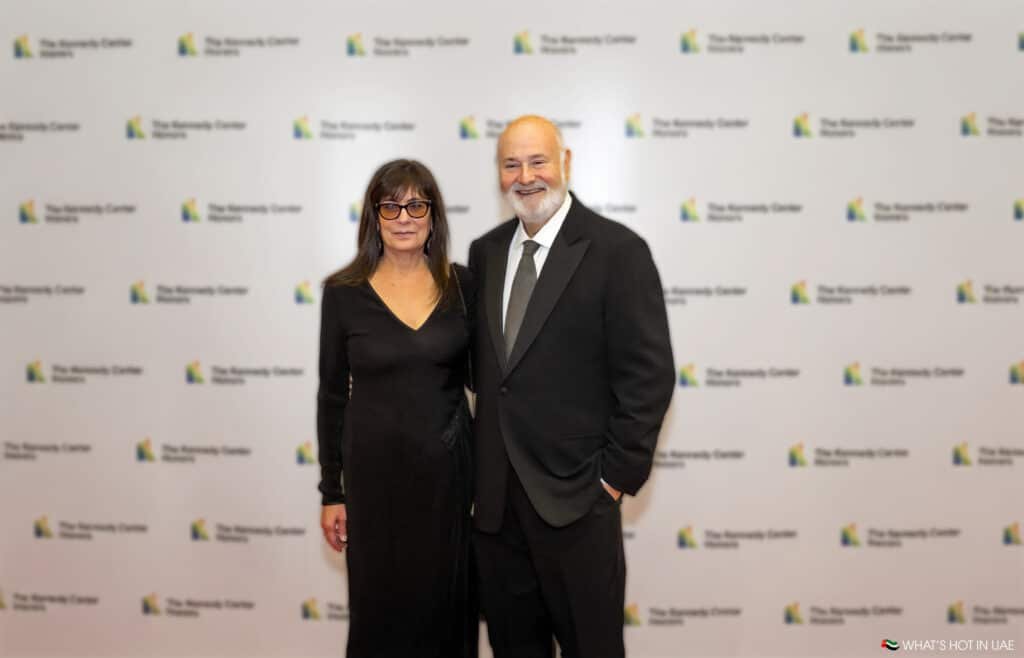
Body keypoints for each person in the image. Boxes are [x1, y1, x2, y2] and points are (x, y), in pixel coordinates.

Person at [468, 116, 675, 658]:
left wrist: (611, 482)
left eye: (538, 161)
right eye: (511, 164)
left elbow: (649, 375)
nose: (526, 176)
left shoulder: (617, 251)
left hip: (578, 506)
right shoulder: (483, 254)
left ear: (566, 162)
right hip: (496, 513)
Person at [317, 159, 476, 658]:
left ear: (433, 215)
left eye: (416, 204)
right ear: (374, 216)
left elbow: (491, 385)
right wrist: (331, 490)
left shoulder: (464, 286)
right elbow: (331, 396)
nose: (403, 216)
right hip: (373, 486)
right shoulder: (343, 293)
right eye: (391, 205)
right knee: (379, 617)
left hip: (448, 483)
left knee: (447, 615)